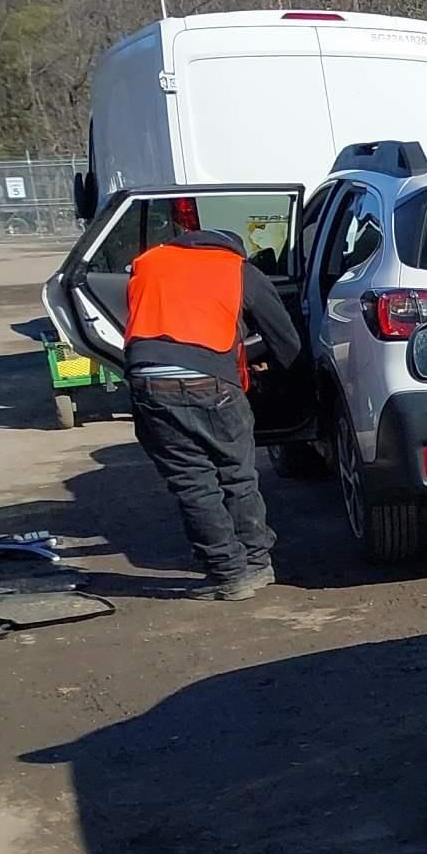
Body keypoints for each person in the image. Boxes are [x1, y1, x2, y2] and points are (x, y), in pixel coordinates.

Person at [120, 220, 303, 599]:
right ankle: (256, 563)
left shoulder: (149, 263)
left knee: (193, 483)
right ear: (233, 249)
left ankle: (228, 575)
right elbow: (284, 339)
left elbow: (160, 322)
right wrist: (299, 383)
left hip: (149, 382)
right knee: (236, 475)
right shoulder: (238, 270)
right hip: (212, 384)